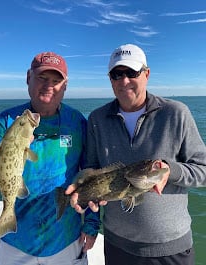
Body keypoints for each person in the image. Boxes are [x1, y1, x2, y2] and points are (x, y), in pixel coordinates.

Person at [66, 44, 206, 265]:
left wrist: (172, 171)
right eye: (117, 74)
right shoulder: (97, 119)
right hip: (116, 245)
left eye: (132, 73)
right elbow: (91, 168)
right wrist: (86, 199)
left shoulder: (176, 113)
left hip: (171, 248)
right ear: (110, 79)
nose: (124, 81)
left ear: (147, 74)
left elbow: (203, 170)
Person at [0, 51, 100, 265]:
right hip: (16, 240)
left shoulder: (77, 122)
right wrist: (7, 146)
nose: (49, 86)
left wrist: (91, 223)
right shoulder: (6, 121)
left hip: (66, 238)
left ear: (65, 85)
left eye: (56, 81)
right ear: (28, 78)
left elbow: (90, 175)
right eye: (42, 78)